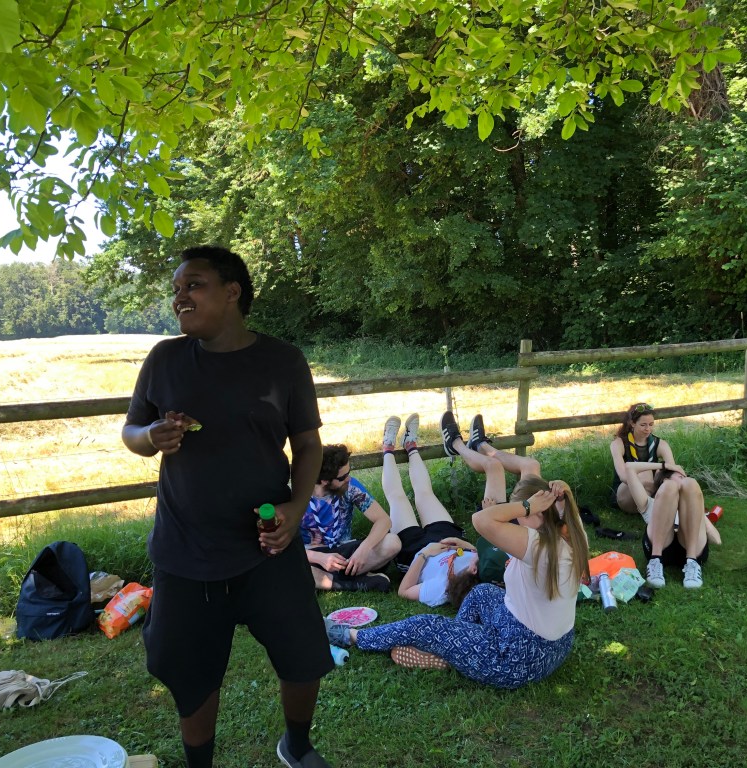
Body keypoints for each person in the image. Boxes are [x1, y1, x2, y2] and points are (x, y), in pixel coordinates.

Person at [122, 246, 332, 768]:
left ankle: (297, 745)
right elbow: (131, 431)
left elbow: (308, 444)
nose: (180, 297)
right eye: (176, 289)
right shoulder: (165, 359)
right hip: (185, 549)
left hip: (267, 545)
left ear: (232, 291)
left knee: (303, 656)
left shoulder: (283, 361)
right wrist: (151, 435)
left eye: (193, 285)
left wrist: (296, 506)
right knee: (190, 671)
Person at [327, 412, 590, 690]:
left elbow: (481, 521)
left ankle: (352, 636)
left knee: (426, 625)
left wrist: (526, 506)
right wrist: (562, 491)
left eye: (521, 514)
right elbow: (549, 510)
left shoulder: (536, 544)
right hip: (554, 649)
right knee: (482, 593)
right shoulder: (572, 533)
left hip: (516, 659)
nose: (516, 518)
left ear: (538, 512)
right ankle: (457, 647)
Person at [609, 402, 716, 589]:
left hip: (655, 493)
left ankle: (666, 510)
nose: (648, 429)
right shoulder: (618, 444)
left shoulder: (660, 444)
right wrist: (661, 469)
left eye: (651, 424)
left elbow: (673, 473)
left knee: (678, 484)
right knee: (647, 476)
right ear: (632, 424)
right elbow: (625, 475)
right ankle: (657, 511)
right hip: (627, 491)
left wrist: (675, 482)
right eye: (643, 425)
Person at [382, 413, 480, 608]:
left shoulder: (441, 589)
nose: (477, 562)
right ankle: (411, 445)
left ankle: (387, 447)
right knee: (425, 494)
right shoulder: (482, 572)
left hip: (415, 551)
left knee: (397, 498)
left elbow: (403, 591)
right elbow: (481, 552)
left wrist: (425, 554)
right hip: (448, 540)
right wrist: (465, 545)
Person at [300, 444, 401, 592]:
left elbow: (384, 521)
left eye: (349, 472)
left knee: (393, 542)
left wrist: (364, 549)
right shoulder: (298, 497)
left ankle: (326, 580)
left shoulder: (350, 487)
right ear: (324, 481)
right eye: (342, 477)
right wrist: (319, 558)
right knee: (289, 564)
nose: (348, 478)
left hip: (345, 552)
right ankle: (350, 582)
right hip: (312, 555)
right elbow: (285, 547)